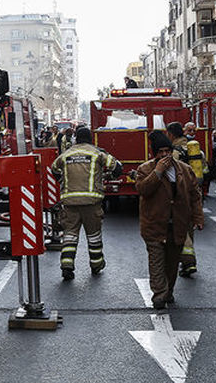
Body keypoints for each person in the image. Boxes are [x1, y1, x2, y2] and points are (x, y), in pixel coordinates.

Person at [134, 130, 203, 310]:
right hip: (154, 226)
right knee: (156, 262)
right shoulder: (145, 169)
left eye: (167, 151)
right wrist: (158, 172)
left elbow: (195, 196)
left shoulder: (185, 170)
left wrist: (197, 217)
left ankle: (168, 291)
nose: (164, 155)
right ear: (154, 154)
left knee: (172, 263)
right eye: (160, 152)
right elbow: (143, 189)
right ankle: (159, 295)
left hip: (178, 225)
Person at [50, 125, 121, 280]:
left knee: (70, 235)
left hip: (70, 203)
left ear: (76, 138)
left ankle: (66, 265)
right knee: (94, 236)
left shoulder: (66, 154)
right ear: (90, 139)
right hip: (91, 203)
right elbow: (117, 167)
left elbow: (54, 168)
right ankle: (96, 265)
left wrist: (62, 180)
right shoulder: (97, 153)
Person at [168, 121, 205, 277]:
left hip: (180, 194)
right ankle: (188, 262)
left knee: (180, 228)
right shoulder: (195, 149)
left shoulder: (175, 151)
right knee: (189, 226)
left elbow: (172, 175)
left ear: (171, 134)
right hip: (195, 191)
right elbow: (204, 168)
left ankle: (188, 262)